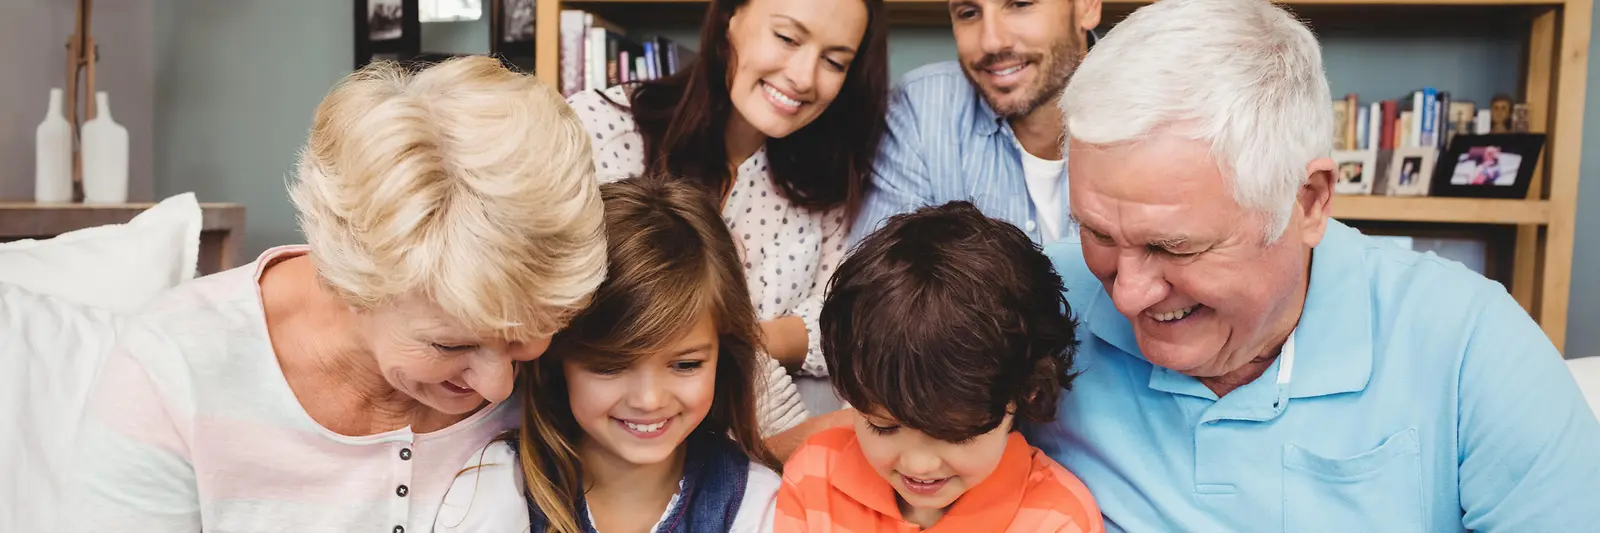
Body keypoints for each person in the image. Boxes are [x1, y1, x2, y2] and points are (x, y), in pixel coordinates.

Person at [1028, 0, 1600, 530]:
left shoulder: (1470, 344)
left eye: (1174, 247)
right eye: (1097, 232)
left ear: (1308, 202)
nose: (1126, 294)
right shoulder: (1027, 304)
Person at [63, 56, 608, 532]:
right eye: (449, 346)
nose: (499, 386)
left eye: (524, 339)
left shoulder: (583, 362)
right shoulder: (173, 370)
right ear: (349, 280)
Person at [566, 0, 892, 428]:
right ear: (729, 18)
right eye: (787, 38)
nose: (803, 77)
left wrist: (745, 340)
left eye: (834, 61)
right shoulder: (601, 131)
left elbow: (844, 323)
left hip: (755, 448)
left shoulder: (828, 183)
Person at [436, 175, 782, 533]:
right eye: (611, 366)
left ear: (722, 359)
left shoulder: (755, 504)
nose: (649, 400)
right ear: (557, 358)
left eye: (685, 365)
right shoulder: (499, 485)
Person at [777, 202, 1103, 532]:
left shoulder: (1058, 519)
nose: (919, 463)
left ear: (1027, 392)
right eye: (883, 426)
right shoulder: (814, 477)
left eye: (955, 434)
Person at [851, 0, 1104, 245]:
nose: (991, 42)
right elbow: (881, 281)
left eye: (1020, 4)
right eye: (969, 12)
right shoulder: (921, 107)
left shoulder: (1142, 105)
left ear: (1087, 6)